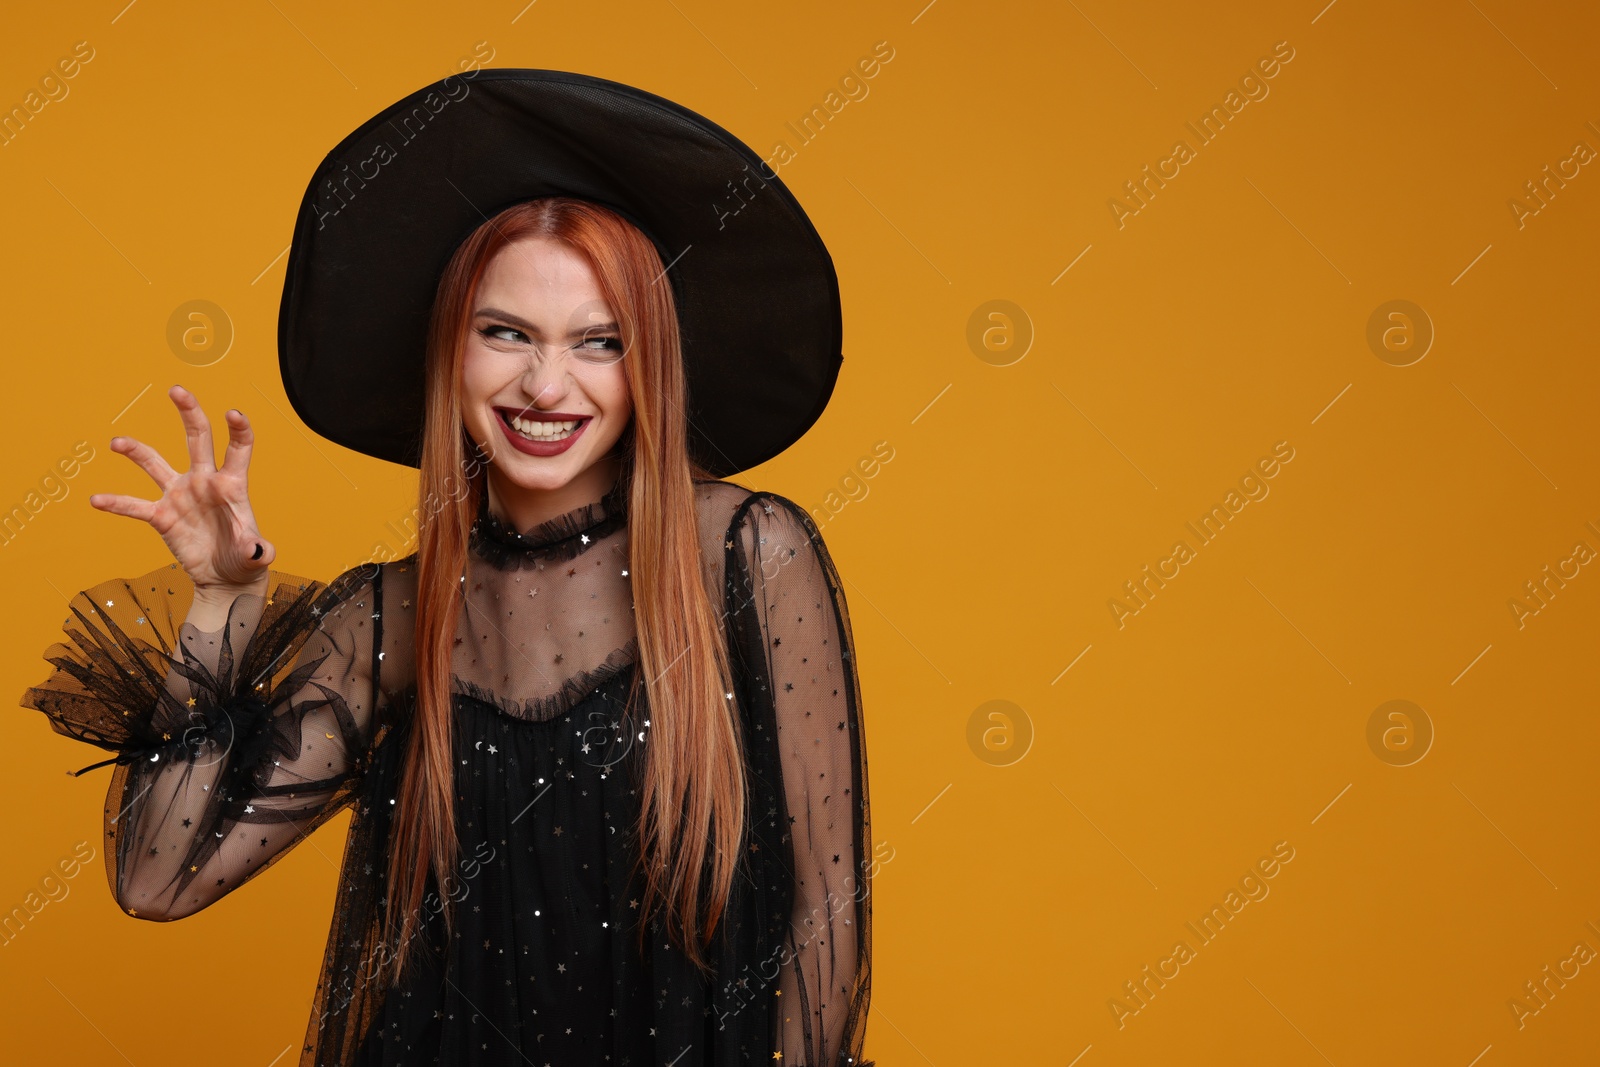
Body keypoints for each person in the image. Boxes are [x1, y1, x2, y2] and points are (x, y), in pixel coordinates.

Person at [20, 70, 874, 1067]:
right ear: (449, 351)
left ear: (648, 366)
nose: (545, 383)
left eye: (599, 342)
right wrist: (219, 603)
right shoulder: (389, 615)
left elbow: (825, 905)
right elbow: (158, 879)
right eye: (504, 332)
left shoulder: (746, 553)